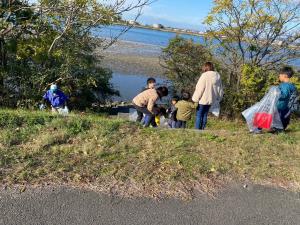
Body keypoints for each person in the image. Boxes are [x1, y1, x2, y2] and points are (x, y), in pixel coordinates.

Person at [192, 62, 223, 130]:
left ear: (206, 67)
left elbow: (200, 88)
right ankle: (202, 129)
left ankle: (197, 130)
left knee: (199, 115)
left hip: (202, 99)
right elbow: (220, 89)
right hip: (211, 99)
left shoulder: (204, 75)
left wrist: (195, 99)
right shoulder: (217, 76)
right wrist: (219, 98)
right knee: (205, 114)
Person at [276, 66, 298, 131]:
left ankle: (278, 129)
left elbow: (284, 95)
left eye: (280, 75)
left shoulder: (284, 85)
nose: (279, 77)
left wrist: (275, 93)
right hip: (288, 109)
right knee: (284, 120)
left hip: (282, 108)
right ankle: (280, 128)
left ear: (285, 75)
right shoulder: (292, 85)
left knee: (280, 121)